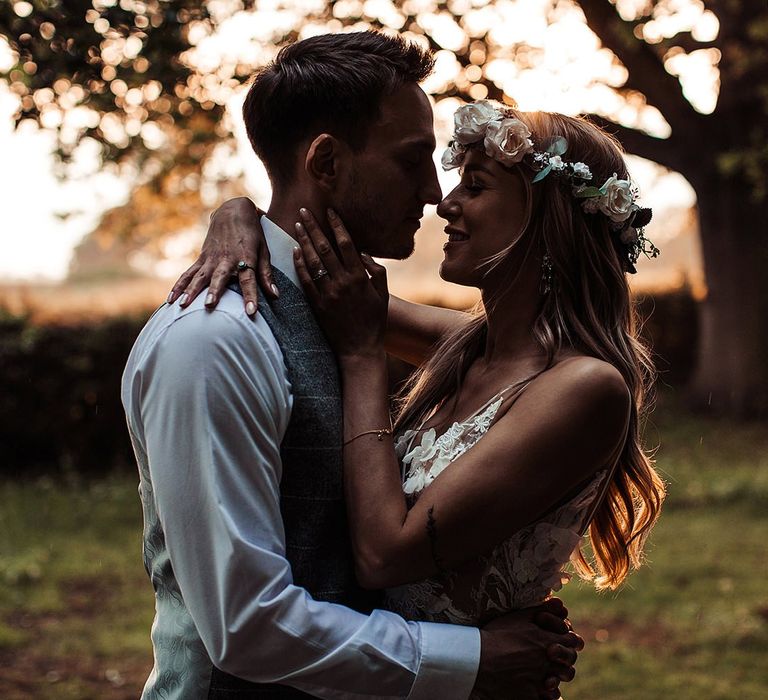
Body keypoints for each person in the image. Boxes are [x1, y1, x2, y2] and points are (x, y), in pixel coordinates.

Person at [123, 32, 582, 700]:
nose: (434, 193)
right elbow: (245, 627)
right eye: (413, 160)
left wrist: (240, 208)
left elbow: (526, 355)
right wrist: (473, 660)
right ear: (328, 163)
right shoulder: (211, 343)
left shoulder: (351, 310)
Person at [175, 100, 666, 660]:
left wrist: (363, 359)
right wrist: (236, 216)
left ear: (545, 219)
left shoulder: (584, 389)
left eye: (475, 187)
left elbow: (385, 556)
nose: (446, 205)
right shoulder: (473, 347)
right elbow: (320, 277)